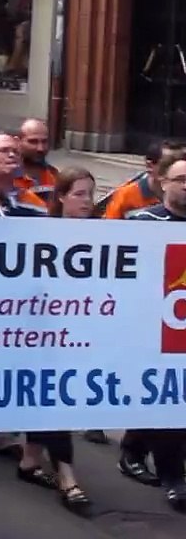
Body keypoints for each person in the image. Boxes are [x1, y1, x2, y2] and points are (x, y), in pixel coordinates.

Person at [8, 166, 98, 516]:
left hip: (79, 331)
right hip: (40, 333)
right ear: (61, 197)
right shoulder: (42, 233)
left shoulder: (103, 236)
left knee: (45, 398)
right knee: (54, 398)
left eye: (90, 194)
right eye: (79, 194)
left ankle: (30, 460)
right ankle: (67, 478)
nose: (87, 201)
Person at [129, 154, 186, 512]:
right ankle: (174, 478)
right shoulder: (140, 222)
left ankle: (132, 449)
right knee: (168, 401)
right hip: (153, 327)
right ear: (163, 182)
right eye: (182, 179)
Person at [16, 118, 58, 196]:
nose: (40, 148)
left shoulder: (54, 175)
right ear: (18, 142)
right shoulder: (6, 176)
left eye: (44, 141)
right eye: (33, 142)